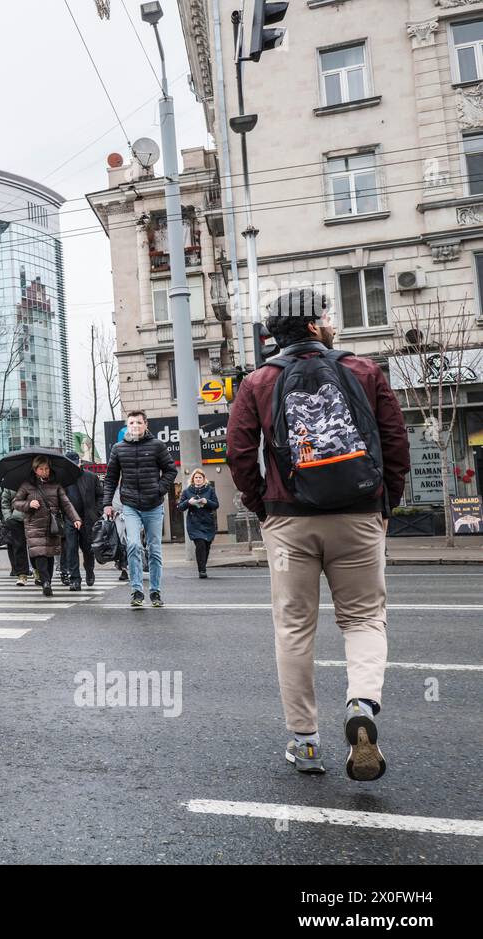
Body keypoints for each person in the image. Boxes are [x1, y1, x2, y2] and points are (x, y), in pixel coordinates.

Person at [227, 288, 409, 781]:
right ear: (312, 326)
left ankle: (305, 743)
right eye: (326, 316)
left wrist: (261, 508)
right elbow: (395, 442)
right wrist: (384, 503)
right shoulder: (365, 370)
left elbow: (240, 455)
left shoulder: (258, 381)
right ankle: (362, 705)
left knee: (293, 629)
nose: (331, 322)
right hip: (359, 515)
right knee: (365, 618)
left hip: (288, 522)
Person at [103, 409, 177, 609]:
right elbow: (110, 478)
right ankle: (136, 590)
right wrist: (107, 503)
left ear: (146, 425)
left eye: (138, 422)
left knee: (154, 549)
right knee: (134, 545)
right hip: (130, 505)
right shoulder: (118, 449)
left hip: (153, 506)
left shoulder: (157, 446)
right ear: (127, 426)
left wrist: (159, 489)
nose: (134, 426)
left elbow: (171, 470)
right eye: (131, 423)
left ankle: (155, 591)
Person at [13, 457, 81, 599]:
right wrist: (29, 504)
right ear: (35, 470)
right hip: (34, 525)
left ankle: (47, 581)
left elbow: (66, 504)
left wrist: (75, 518)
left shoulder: (56, 485)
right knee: (40, 555)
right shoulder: (27, 485)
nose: (45, 471)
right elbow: (16, 502)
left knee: (49, 555)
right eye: (41, 469)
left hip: (52, 525)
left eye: (47, 468)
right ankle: (45, 583)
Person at [62, 451, 104, 591]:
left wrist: (97, 512)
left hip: (88, 518)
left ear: (79, 462)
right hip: (69, 519)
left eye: (75, 463)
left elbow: (100, 495)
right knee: (71, 548)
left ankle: (89, 571)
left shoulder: (91, 477)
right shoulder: (63, 479)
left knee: (88, 549)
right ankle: (75, 579)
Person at [177, 468, 220, 579]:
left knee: (206, 546)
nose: (198, 479)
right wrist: (188, 502)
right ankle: (202, 570)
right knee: (200, 544)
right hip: (194, 523)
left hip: (207, 522)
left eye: (200, 477)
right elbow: (180, 507)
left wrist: (207, 501)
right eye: (196, 477)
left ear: (204, 479)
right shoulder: (187, 491)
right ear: (193, 479)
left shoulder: (210, 490)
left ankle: (203, 565)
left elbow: (216, 505)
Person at [0, 487, 30, 585]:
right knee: (19, 546)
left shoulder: (35, 481)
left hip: (34, 518)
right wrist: (9, 518)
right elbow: (5, 502)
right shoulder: (10, 484)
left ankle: (38, 571)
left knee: (35, 546)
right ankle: (22, 574)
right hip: (16, 519)